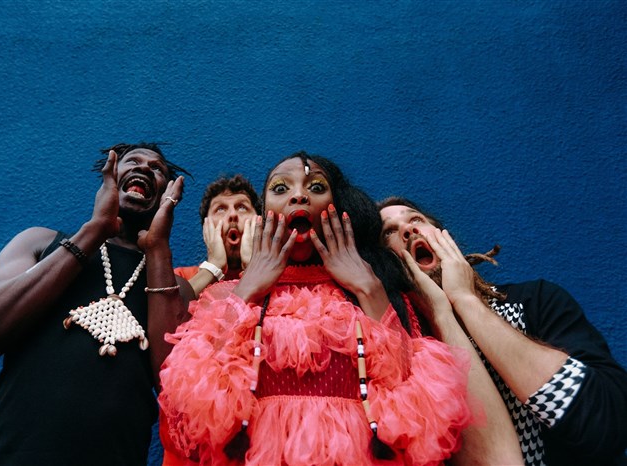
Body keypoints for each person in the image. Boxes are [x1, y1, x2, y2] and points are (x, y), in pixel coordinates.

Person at [158, 152, 517, 465]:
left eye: (316, 186)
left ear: (338, 207)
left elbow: (414, 410)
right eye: (280, 188)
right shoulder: (226, 295)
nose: (299, 195)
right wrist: (249, 288)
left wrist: (368, 288)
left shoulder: (372, 293)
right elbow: (190, 409)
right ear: (264, 215)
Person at [0, 142, 194, 466]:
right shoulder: (40, 243)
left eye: (157, 169)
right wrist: (95, 230)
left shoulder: (177, 290)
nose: (145, 168)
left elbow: (178, 399)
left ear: (166, 196)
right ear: (109, 177)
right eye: (132, 161)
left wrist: (158, 248)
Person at [379, 196, 627, 466]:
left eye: (416, 218)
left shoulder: (535, 301)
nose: (408, 229)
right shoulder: (401, 356)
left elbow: (607, 425)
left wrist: (466, 299)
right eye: (389, 231)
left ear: (446, 238)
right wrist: (440, 315)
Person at [175, 174, 261, 297]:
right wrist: (213, 266)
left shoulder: (279, 276)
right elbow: (167, 307)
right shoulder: (181, 278)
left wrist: (252, 266)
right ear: (206, 228)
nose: (232, 214)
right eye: (220, 209)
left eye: (242, 207)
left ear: (259, 222)